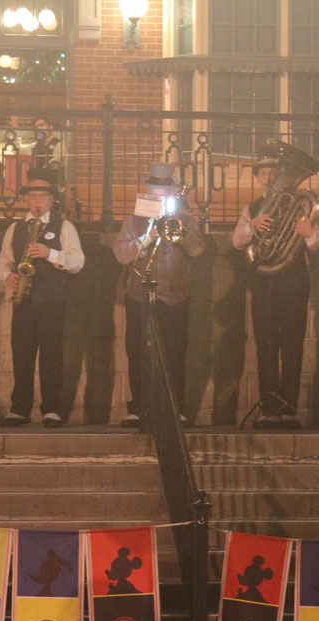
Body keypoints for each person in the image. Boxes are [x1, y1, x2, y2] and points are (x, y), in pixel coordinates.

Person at [232, 150, 319, 428]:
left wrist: (309, 234)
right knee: (266, 344)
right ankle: (270, 409)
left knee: (293, 344)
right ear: (258, 179)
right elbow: (237, 242)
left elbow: (315, 245)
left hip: (294, 280)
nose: (270, 177)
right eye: (264, 174)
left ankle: (288, 410)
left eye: (275, 171)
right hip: (263, 280)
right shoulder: (252, 208)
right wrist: (252, 226)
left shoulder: (302, 204)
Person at [113, 162, 205, 428]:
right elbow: (121, 254)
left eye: (166, 190)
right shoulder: (133, 220)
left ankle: (176, 407)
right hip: (140, 295)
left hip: (175, 296)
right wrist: (150, 236)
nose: (161, 194)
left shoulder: (186, 220)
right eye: (156, 189)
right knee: (137, 350)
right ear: (148, 191)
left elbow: (198, 251)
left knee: (175, 353)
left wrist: (182, 232)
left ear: (173, 192)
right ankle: (139, 407)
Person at [0, 170, 84, 427]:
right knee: (21, 353)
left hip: (52, 299)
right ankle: (19, 408)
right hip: (24, 300)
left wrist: (50, 253)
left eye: (42, 196)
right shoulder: (15, 228)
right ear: (26, 200)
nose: (37, 201)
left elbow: (77, 262)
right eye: (32, 196)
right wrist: (8, 276)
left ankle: (52, 409)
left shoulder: (64, 226)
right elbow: (3, 262)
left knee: (51, 354)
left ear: (51, 200)